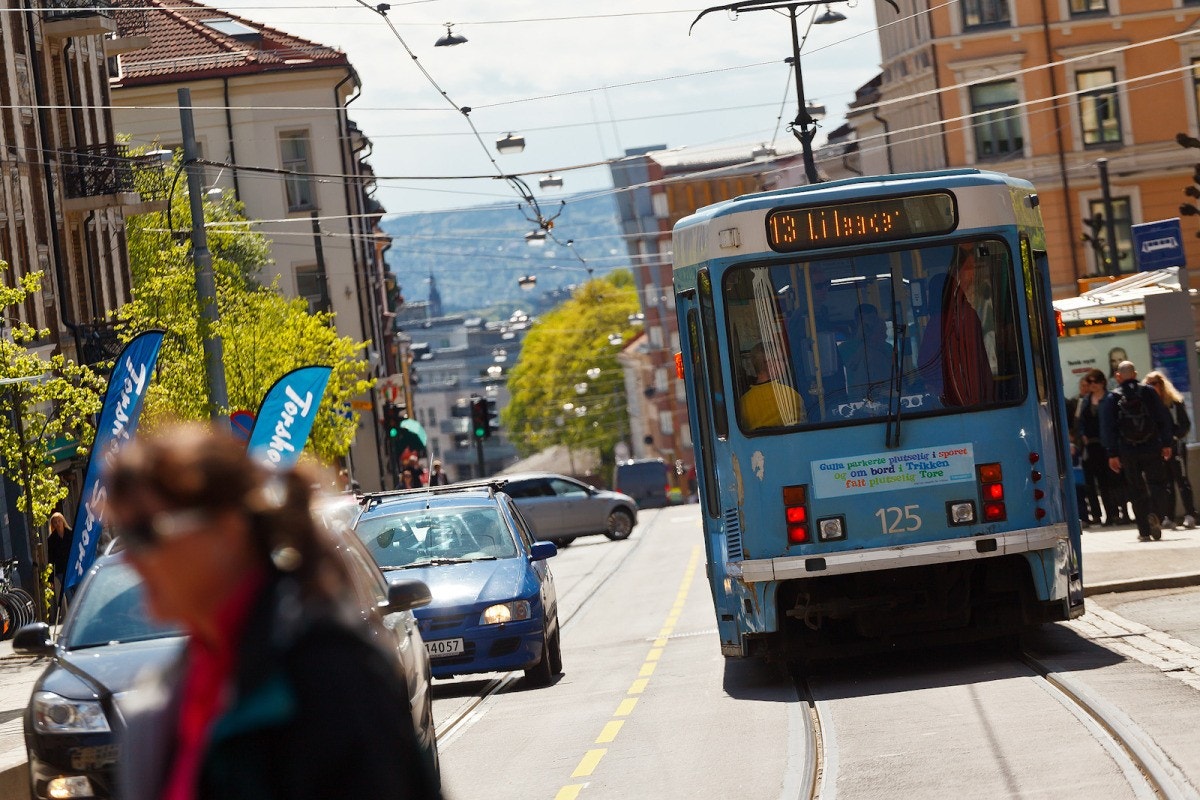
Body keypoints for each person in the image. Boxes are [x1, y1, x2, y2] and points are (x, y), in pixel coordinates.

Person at [106, 423, 440, 800]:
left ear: (227, 529)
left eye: (144, 533)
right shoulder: (179, 686)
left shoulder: (326, 675)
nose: (129, 559)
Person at [1099, 361, 1175, 542]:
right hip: (1152, 446)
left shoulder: (1113, 397)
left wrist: (1112, 454)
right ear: (1135, 374)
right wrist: (1166, 443)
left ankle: (1143, 530)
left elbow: (1108, 428)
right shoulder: (1149, 392)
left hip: (1127, 450)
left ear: (1118, 376)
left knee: (1135, 489)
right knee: (1157, 483)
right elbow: (1163, 418)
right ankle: (1155, 513)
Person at [1144, 370, 1197, 529]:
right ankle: (1169, 516)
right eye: (1149, 384)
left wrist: (1173, 438)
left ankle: (1190, 514)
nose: (1152, 387)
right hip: (1158, 448)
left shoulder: (1174, 402)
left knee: (1181, 480)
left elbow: (1185, 425)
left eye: (1154, 384)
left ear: (1161, 384)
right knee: (1166, 483)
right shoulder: (1150, 405)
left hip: (1176, 446)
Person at [1074, 367, 1127, 526]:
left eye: (1094, 381)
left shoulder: (1111, 398)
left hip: (1107, 446)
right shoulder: (1084, 401)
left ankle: (1113, 514)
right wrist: (1081, 434)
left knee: (1109, 482)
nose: (1092, 385)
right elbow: (1079, 421)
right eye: (1089, 382)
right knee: (1091, 483)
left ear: (1102, 382)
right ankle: (1096, 515)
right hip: (1090, 446)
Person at [740, 342, 805, 430]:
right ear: (770, 364)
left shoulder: (743, 402)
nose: (786, 363)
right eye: (782, 359)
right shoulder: (790, 395)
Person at [841, 303, 893, 403]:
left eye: (872, 320)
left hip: (887, 396)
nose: (870, 325)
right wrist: (863, 342)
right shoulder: (845, 348)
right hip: (858, 400)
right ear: (857, 322)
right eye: (865, 322)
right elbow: (852, 366)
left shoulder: (887, 347)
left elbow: (892, 371)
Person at [46, 511, 72, 624]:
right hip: (61, 570)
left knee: (76, 591)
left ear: (63, 521)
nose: (57, 524)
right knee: (68, 593)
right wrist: (50, 579)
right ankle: (72, 618)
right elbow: (51, 559)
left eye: (59, 521)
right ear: (53, 525)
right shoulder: (51, 539)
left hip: (72, 568)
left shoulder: (70, 534)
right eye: (55, 522)